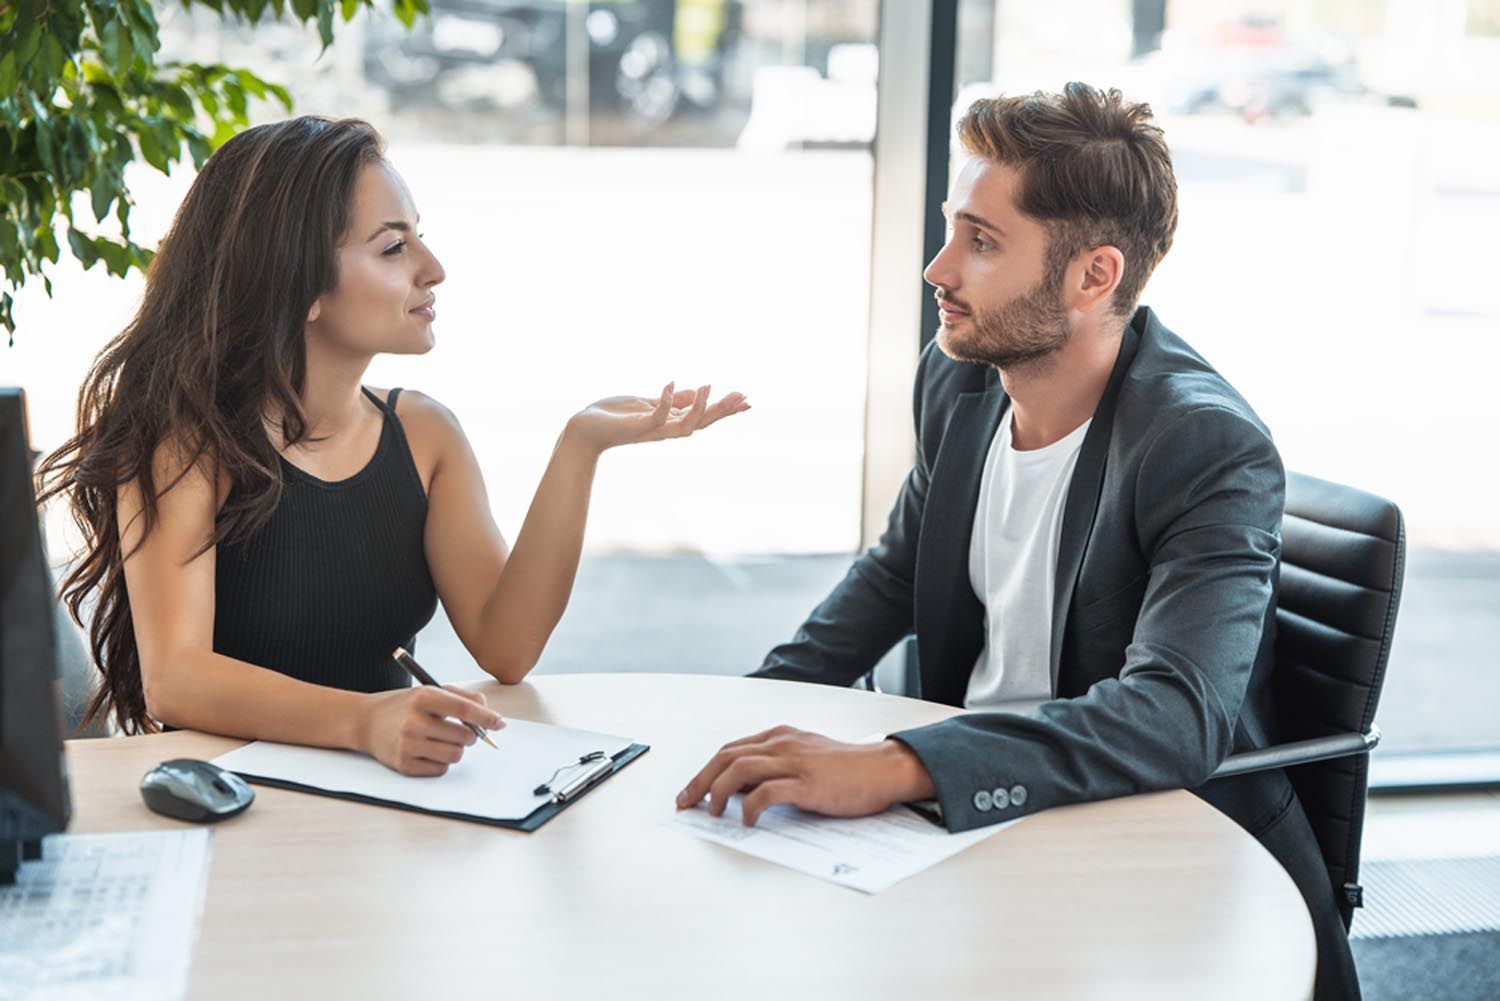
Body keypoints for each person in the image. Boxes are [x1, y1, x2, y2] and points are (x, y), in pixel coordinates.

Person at [676, 83, 1358, 1000]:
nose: (937, 269)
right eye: (955, 228)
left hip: (1160, 849)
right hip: (979, 818)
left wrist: (901, 764)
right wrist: (730, 714)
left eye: (981, 241)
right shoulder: (962, 380)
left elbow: (1174, 715)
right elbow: (896, 572)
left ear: (1094, 276)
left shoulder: (1203, 446)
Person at [37, 116, 747, 778]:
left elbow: (508, 646)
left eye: (419, 237)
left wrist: (580, 446)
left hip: (383, 801)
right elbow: (176, 677)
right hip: (231, 806)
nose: (433, 268)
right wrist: (366, 720)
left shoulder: (425, 434)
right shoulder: (188, 445)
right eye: (394, 246)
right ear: (299, 284)